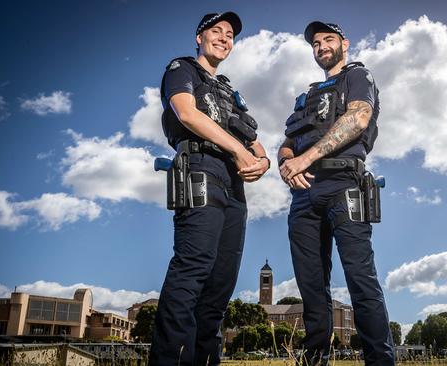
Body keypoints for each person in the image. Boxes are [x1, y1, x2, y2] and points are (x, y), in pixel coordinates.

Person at [150, 11, 270, 366]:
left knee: (221, 281)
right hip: (200, 169)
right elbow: (187, 114)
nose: (223, 37)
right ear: (199, 38)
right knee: (193, 268)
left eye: (230, 34)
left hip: (235, 186)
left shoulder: (231, 92)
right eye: (215, 31)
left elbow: (256, 142)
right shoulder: (182, 69)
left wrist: (262, 163)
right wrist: (237, 150)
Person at [278, 21, 395, 366]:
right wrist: (288, 165)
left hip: (344, 185)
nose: (321, 46)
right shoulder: (308, 96)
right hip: (303, 196)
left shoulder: (358, 77)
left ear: (344, 43)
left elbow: (358, 119)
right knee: (311, 288)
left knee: (361, 279)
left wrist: (305, 159)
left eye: (328, 40)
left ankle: (381, 361)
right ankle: (315, 360)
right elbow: (287, 144)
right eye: (315, 43)